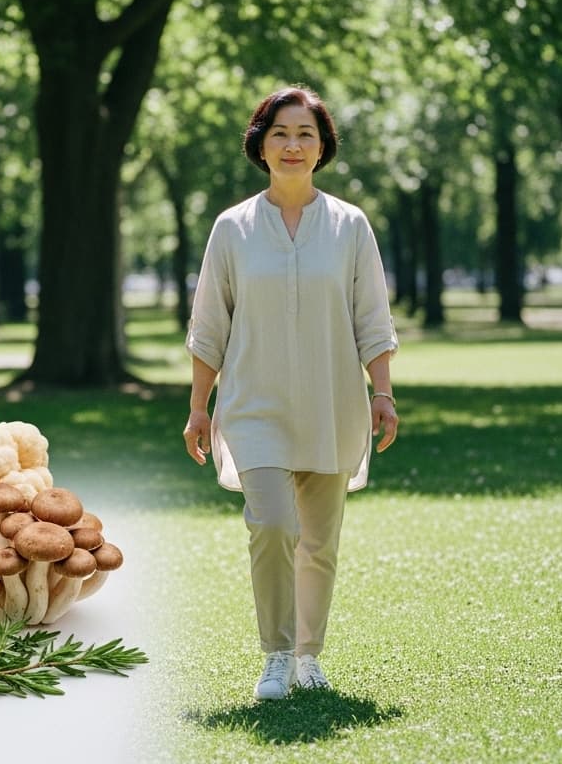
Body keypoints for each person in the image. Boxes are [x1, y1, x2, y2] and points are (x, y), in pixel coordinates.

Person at [183, 85, 400, 701]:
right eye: (280, 132)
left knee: (320, 543)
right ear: (261, 144)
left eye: (305, 133)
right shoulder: (233, 228)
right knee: (272, 525)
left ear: (323, 145)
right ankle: (275, 655)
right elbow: (209, 327)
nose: (293, 145)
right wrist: (199, 407)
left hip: (334, 405)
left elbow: (372, 317)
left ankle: (309, 657)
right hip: (253, 405)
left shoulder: (350, 226)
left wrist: (381, 392)